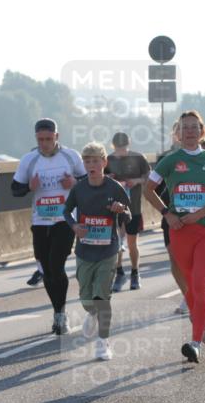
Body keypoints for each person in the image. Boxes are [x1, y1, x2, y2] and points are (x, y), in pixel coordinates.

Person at [145, 110, 205, 363]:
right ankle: (201, 328)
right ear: (177, 134)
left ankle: (194, 343)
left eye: (194, 127)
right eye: (185, 127)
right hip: (179, 232)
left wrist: (199, 214)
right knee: (191, 284)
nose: (190, 131)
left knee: (199, 283)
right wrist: (167, 214)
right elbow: (148, 190)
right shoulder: (170, 161)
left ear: (202, 131)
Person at [12, 118, 87, 335]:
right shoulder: (29, 159)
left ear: (57, 136)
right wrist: (29, 186)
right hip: (40, 221)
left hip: (64, 221)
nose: (44, 143)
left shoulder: (70, 156)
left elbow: (89, 181)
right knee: (46, 270)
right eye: (40, 139)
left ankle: (61, 315)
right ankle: (57, 312)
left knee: (56, 265)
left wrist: (73, 183)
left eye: (48, 138)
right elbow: (14, 189)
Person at [63, 143, 130, 360]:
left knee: (102, 297)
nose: (91, 165)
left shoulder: (114, 187)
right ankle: (91, 313)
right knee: (86, 297)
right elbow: (66, 212)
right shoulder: (79, 188)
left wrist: (121, 209)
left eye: (95, 161)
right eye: (87, 161)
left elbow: (129, 214)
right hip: (84, 250)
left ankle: (103, 342)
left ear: (104, 162)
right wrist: (74, 227)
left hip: (108, 250)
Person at [105, 132, 150, 292]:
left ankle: (135, 272)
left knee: (132, 244)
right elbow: (100, 180)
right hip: (114, 209)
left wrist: (137, 181)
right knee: (117, 244)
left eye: (123, 147)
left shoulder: (138, 158)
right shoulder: (108, 160)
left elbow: (149, 177)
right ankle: (119, 272)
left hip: (134, 207)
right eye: (118, 147)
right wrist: (109, 178)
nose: (121, 150)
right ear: (113, 146)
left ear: (129, 144)